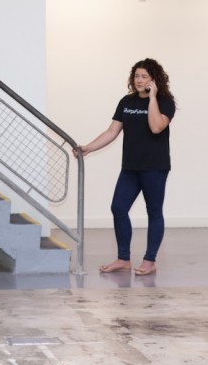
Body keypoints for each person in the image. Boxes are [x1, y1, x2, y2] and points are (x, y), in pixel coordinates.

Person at [73, 59, 176, 276]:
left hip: (155, 167)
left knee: (154, 212)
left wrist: (153, 97)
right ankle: (123, 259)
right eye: (137, 76)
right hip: (130, 167)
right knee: (118, 208)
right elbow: (112, 131)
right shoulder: (126, 102)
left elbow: (156, 127)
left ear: (154, 80)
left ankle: (150, 260)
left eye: (144, 76)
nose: (139, 80)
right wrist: (88, 148)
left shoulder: (165, 102)